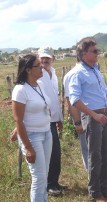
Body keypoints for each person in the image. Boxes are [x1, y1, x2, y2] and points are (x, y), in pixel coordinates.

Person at [68, 37, 107, 202]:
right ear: (83, 54)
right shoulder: (77, 73)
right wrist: (94, 115)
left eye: (98, 50)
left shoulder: (95, 69)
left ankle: (103, 189)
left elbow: (103, 89)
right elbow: (74, 99)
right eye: (95, 51)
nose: (98, 53)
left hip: (104, 114)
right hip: (92, 116)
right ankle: (95, 193)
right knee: (95, 155)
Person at [12, 54, 52, 202]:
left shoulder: (39, 85)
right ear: (28, 69)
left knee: (44, 174)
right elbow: (18, 119)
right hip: (32, 137)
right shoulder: (20, 90)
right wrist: (28, 147)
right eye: (38, 66)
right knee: (39, 177)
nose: (42, 67)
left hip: (47, 133)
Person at [37, 46, 65, 195]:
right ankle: (49, 185)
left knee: (55, 153)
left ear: (53, 59)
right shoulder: (36, 74)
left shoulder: (53, 73)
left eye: (48, 57)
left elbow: (55, 99)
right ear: (38, 57)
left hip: (53, 120)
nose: (45, 60)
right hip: (42, 121)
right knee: (49, 153)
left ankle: (54, 182)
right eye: (43, 57)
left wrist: (59, 118)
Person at [63, 59, 88, 170]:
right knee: (86, 146)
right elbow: (71, 101)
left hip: (93, 113)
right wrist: (77, 122)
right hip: (82, 115)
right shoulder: (72, 75)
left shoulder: (92, 71)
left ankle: (102, 173)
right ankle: (92, 174)